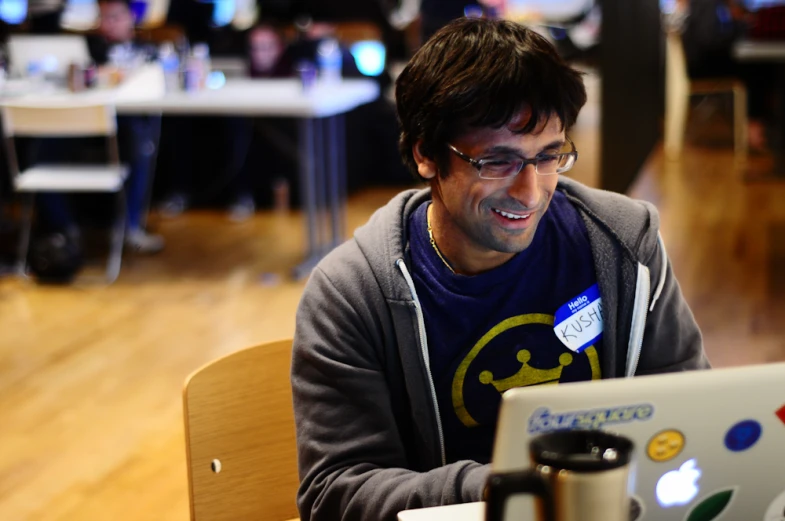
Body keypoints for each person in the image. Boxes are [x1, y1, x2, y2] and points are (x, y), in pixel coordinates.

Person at [291, 17, 710, 521]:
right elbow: (335, 493)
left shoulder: (624, 244)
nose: (531, 193)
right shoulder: (353, 291)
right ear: (426, 153)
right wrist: (500, 488)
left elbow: (693, 417)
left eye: (550, 156)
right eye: (497, 162)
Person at [38, 0, 164, 254]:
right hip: (81, 124)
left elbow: (156, 85)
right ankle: (64, 233)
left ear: (131, 17)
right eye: (103, 17)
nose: (108, 24)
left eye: (115, 17)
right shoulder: (85, 50)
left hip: (124, 126)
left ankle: (130, 228)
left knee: (142, 142)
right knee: (40, 148)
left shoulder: (149, 52)